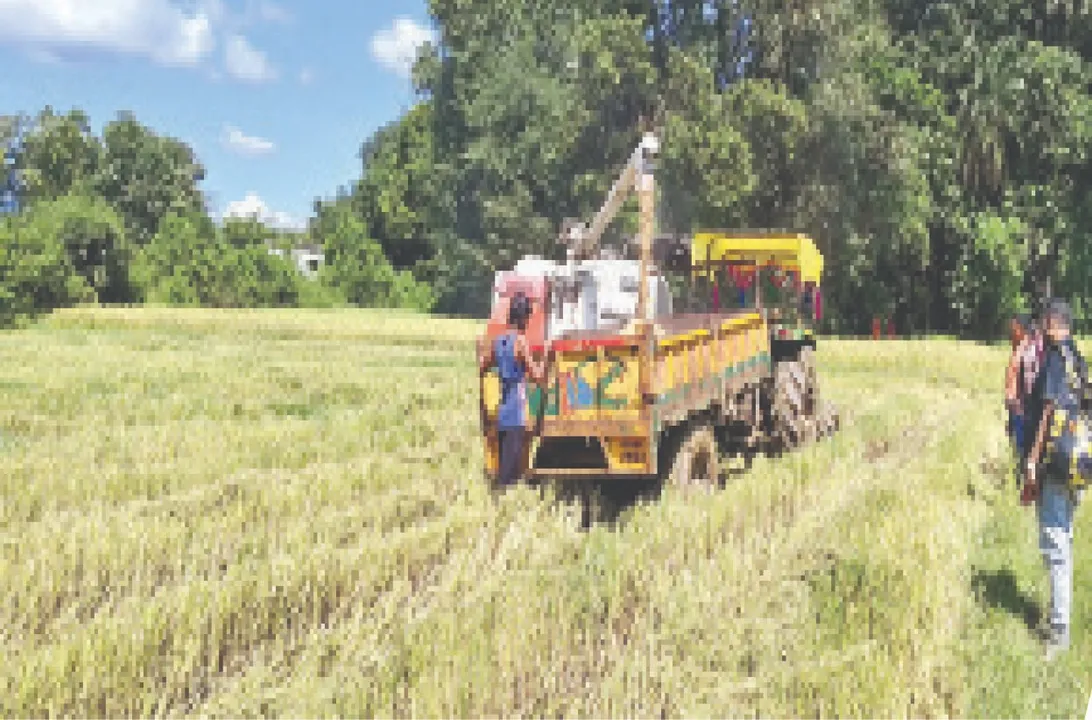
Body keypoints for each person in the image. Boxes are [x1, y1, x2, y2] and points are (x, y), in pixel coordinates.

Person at [1024, 298, 1085, 660]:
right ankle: (1059, 615)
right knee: (1066, 538)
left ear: (1051, 322)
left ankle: (1059, 633)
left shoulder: (1054, 359)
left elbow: (1047, 411)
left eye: (1043, 323)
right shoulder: (1078, 359)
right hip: (1077, 462)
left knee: (1056, 545)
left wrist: (1032, 461)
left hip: (1055, 462)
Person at [477, 292, 548, 488]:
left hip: (502, 415)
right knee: (510, 478)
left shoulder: (498, 342)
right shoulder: (520, 342)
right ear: (524, 317)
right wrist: (546, 357)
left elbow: (483, 367)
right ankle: (500, 511)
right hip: (517, 415)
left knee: (503, 471)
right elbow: (538, 376)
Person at [1005, 313, 1043, 483]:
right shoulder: (1020, 346)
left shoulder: (1028, 348)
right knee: (1017, 442)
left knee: (1022, 446)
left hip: (1023, 407)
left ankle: (1024, 480)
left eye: (1015, 327)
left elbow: (1023, 377)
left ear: (1022, 328)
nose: (1011, 330)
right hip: (1017, 406)